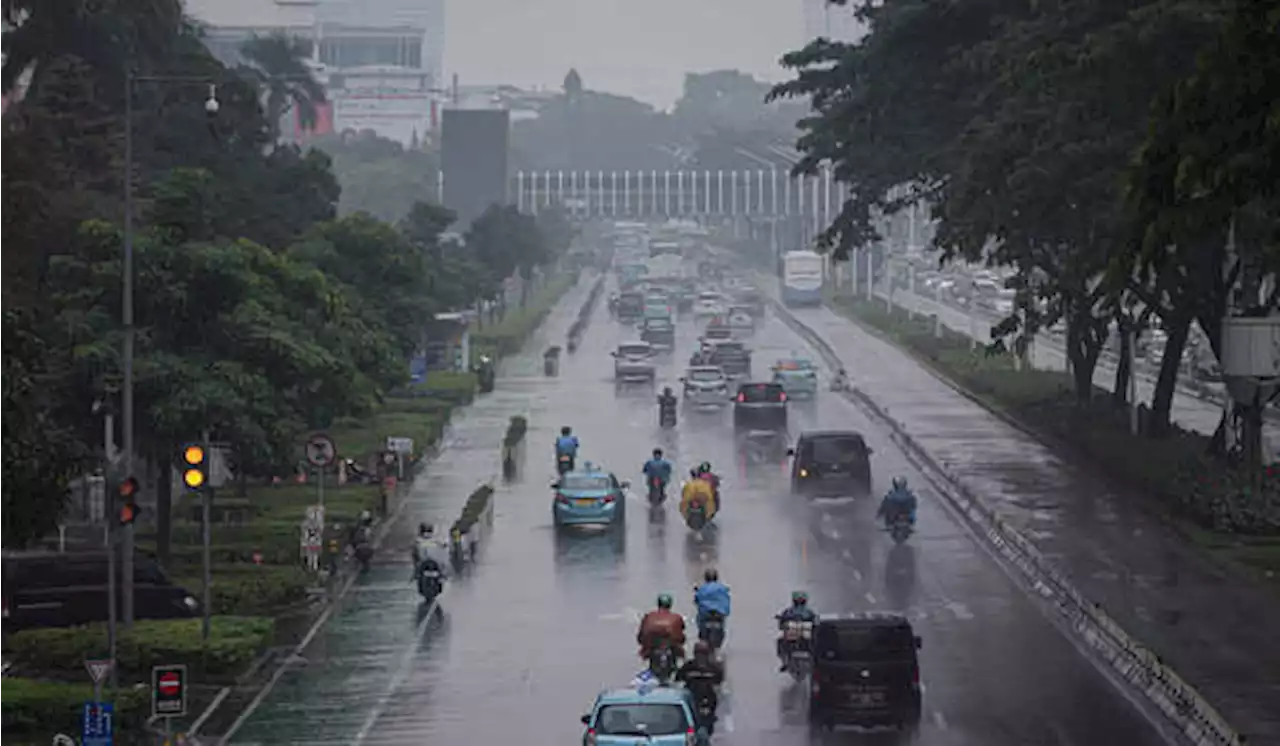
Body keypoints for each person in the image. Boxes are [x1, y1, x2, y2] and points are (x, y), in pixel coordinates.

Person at [676, 640, 725, 730]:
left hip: (708, 695)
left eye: (703, 654)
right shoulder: (689, 665)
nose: (701, 657)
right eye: (699, 654)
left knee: (716, 698)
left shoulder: (713, 666)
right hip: (693, 695)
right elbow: (678, 676)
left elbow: (719, 679)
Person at [775, 591, 819, 670]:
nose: (799, 602)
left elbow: (815, 622)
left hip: (806, 633)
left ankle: (815, 660)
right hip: (792, 633)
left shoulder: (809, 612)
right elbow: (781, 624)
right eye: (798, 600)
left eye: (801, 600)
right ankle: (785, 661)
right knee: (781, 641)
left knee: (815, 642)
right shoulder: (789, 611)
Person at [637, 593, 687, 660]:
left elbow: (641, 636)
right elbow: (681, 634)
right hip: (670, 646)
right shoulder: (677, 617)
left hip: (652, 646)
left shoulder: (649, 616)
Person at [693, 568, 731, 634]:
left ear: (705, 578)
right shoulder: (723, 588)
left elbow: (696, 600)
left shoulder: (702, 588)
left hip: (705, 616)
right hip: (719, 616)